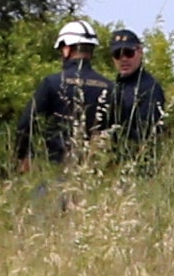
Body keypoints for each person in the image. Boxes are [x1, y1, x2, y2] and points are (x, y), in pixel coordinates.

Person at [16, 20, 114, 172]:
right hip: (95, 172)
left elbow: (26, 123)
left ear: (67, 49)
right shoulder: (109, 86)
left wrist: (22, 156)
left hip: (56, 169)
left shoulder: (52, 83)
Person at [105, 28, 167, 157]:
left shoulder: (149, 88)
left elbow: (147, 135)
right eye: (117, 54)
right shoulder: (115, 87)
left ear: (140, 52)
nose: (123, 59)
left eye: (129, 53)